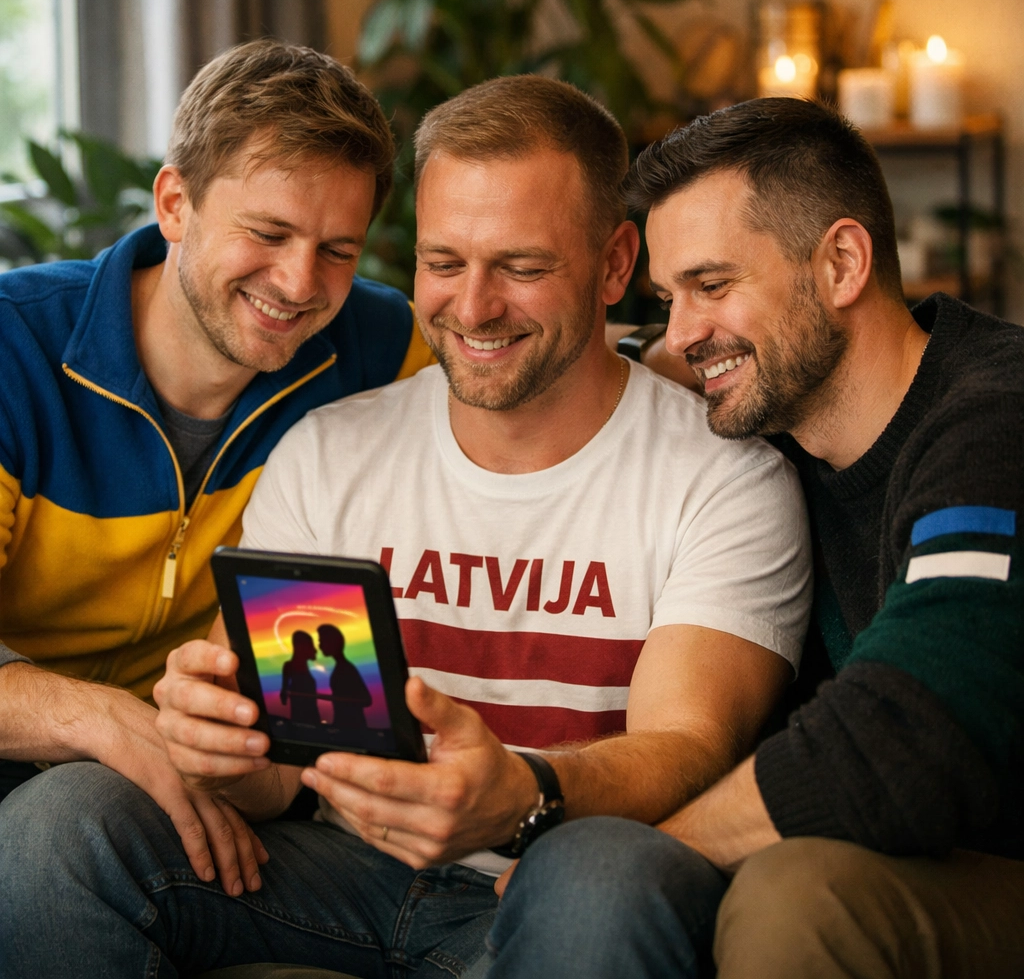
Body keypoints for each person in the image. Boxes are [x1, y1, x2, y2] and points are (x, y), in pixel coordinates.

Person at [0, 76, 812, 978]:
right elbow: (283, 765)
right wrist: (225, 749)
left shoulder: (721, 476)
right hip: (338, 870)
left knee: (600, 874)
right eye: (444, 262)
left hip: (555, 874)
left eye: (524, 266)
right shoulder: (329, 443)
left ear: (617, 264)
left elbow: (689, 746)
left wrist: (522, 796)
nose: (472, 309)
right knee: (61, 825)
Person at [0, 39, 433, 895]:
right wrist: (105, 720)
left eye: (339, 249)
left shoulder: (377, 349)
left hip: (223, 777)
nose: (301, 282)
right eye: (267, 233)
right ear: (174, 202)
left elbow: (525, 375)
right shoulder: (14, 349)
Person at [623, 97, 1024, 978]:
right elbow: (629, 361)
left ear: (842, 262)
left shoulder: (996, 421)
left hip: (998, 860)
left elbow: (907, 741)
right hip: (916, 855)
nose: (682, 333)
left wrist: (642, 859)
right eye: (668, 298)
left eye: (712, 285)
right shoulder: (776, 413)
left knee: (795, 896)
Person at [317, 624, 371, 729]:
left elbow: (366, 700)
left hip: (353, 729)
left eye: (321, 641)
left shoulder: (346, 669)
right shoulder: (343, 667)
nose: (320, 645)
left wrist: (336, 698)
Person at [280, 631, 321, 724]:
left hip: (310, 720)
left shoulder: (291, 666)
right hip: (304, 721)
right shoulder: (289, 667)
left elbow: (283, 696)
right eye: (310, 645)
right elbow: (283, 695)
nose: (315, 650)